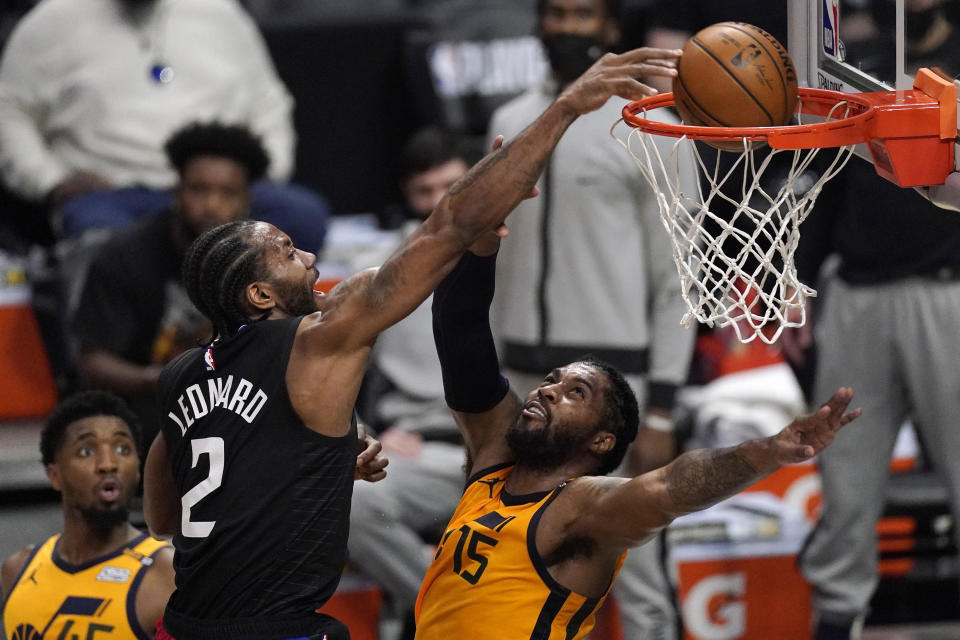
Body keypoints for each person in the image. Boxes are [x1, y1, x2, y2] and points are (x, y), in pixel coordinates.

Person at [141, 45, 685, 640]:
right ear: (261, 297)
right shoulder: (318, 343)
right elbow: (447, 225)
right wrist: (564, 109)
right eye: (288, 254)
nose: (311, 258)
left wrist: (304, 464)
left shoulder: (182, 374)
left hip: (184, 626)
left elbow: (164, 516)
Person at [413, 226, 861, 640]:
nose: (549, 391)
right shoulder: (493, 463)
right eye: (551, 380)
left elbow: (673, 486)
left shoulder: (581, 507)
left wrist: (769, 451)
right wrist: (481, 244)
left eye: (576, 393)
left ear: (601, 441)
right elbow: (460, 326)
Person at [487, 0, 698, 635]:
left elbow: (678, 278)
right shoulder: (511, 117)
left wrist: (660, 406)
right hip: (520, 376)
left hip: (615, 383)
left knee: (634, 560)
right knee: (516, 557)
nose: (566, 28)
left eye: (583, 15)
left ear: (610, 29)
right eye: (556, 13)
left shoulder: (648, 125)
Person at [782, 158, 960, 639]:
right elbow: (829, 181)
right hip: (857, 293)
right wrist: (798, 277)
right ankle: (838, 619)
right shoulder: (858, 85)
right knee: (846, 482)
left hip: (950, 289)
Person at [0, 0, 329, 251]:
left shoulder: (220, 14)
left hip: (219, 188)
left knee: (301, 216)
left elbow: (268, 102)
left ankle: (259, 339)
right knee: (100, 239)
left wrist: (265, 171)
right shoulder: (51, 22)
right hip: (116, 196)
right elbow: (9, 111)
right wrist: (50, 181)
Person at [71, 121, 271, 455]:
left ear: (246, 201)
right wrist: (161, 379)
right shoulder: (124, 256)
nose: (211, 204)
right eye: (199, 189)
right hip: (145, 404)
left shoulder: (263, 262)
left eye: (227, 193)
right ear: (176, 191)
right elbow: (93, 364)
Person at [348, 126, 471, 640]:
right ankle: (459, 621)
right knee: (346, 500)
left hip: (511, 446)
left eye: (451, 184)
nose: (440, 201)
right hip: (421, 449)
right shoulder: (376, 272)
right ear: (407, 195)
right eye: (425, 191)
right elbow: (331, 371)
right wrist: (365, 431)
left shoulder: (527, 257)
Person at [1, 390, 176, 640]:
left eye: (122, 449)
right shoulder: (17, 569)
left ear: (138, 471)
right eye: (86, 451)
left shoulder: (165, 574)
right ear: (54, 475)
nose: (108, 464)